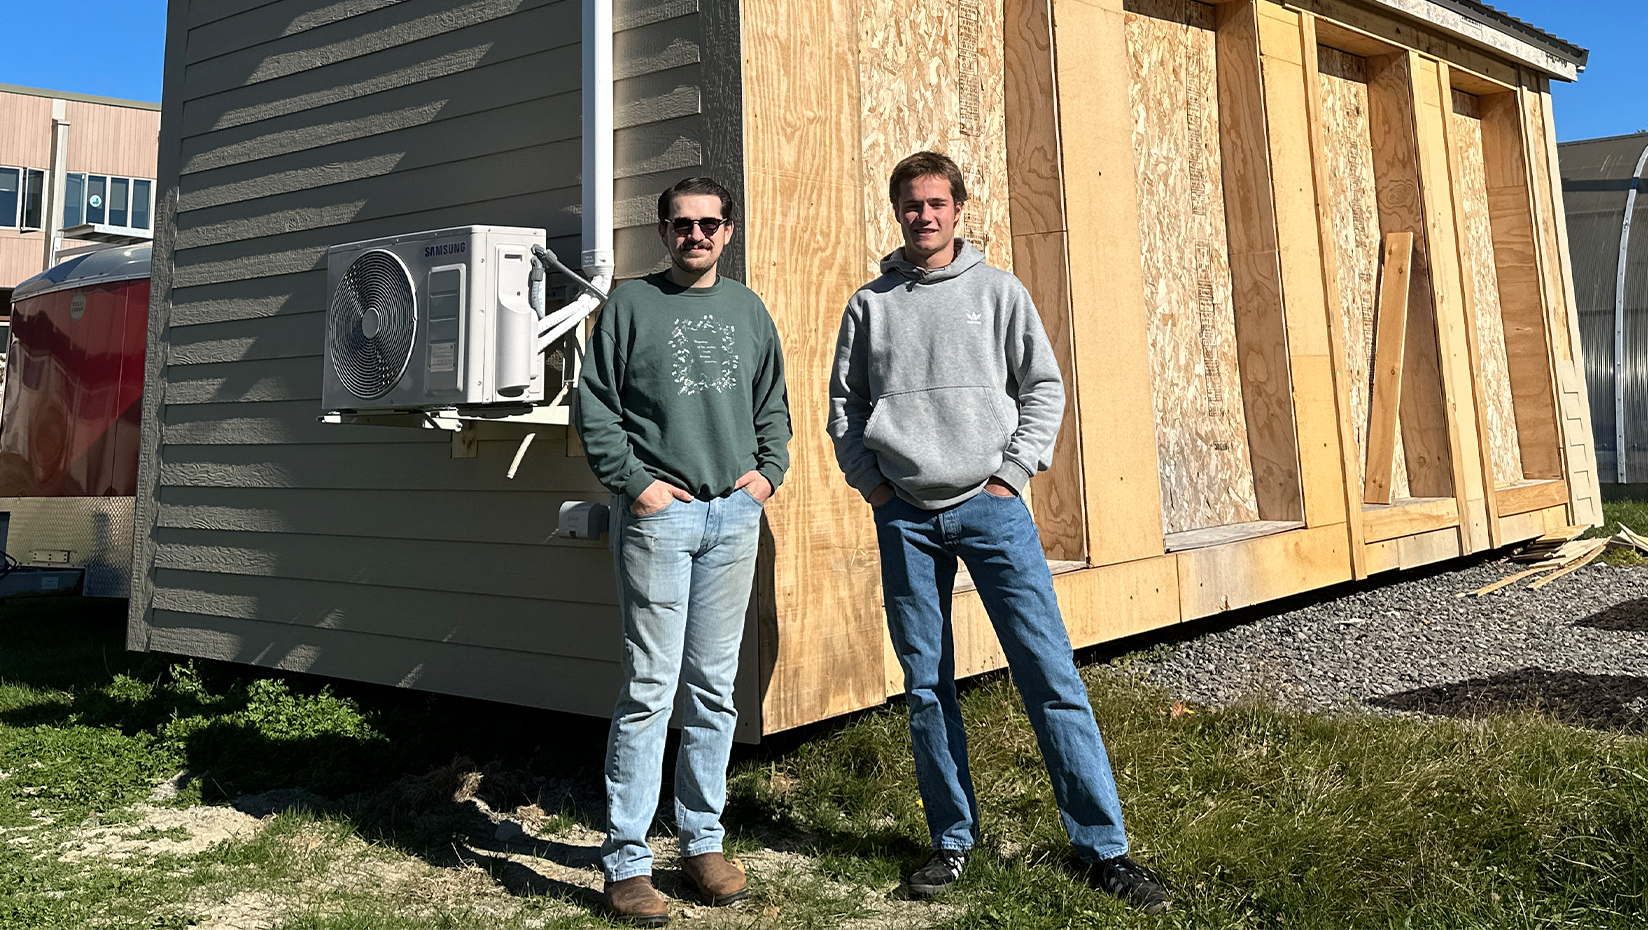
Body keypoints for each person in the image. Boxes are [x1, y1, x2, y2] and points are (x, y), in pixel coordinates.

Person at [826, 151, 1169, 914]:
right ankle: (951, 841)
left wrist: (1012, 474)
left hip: (993, 507)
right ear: (897, 211)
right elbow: (845, 406)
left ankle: (1102, 848)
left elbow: (1043, 386)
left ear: (959, 208)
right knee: (925, 686)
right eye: (912, 204)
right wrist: (875, 487)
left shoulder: (998, 291)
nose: (926, 216)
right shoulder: (871, 305)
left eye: (938, 203)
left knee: (1049, 674)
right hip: (906, 516)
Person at [576, 176, 791, 926]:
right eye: (681, 225)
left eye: (709, 224)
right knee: (648, 688)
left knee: (713, 689)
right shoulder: (631, 306)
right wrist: (636, 485)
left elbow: (773, 403)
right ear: (662, 231)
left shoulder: (748, 309)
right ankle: (627, 862)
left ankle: (702, 841)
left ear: (728, 231)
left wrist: (765, 477)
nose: (695, 236)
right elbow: (595, 403)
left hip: (733, 519)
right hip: (660, 520)